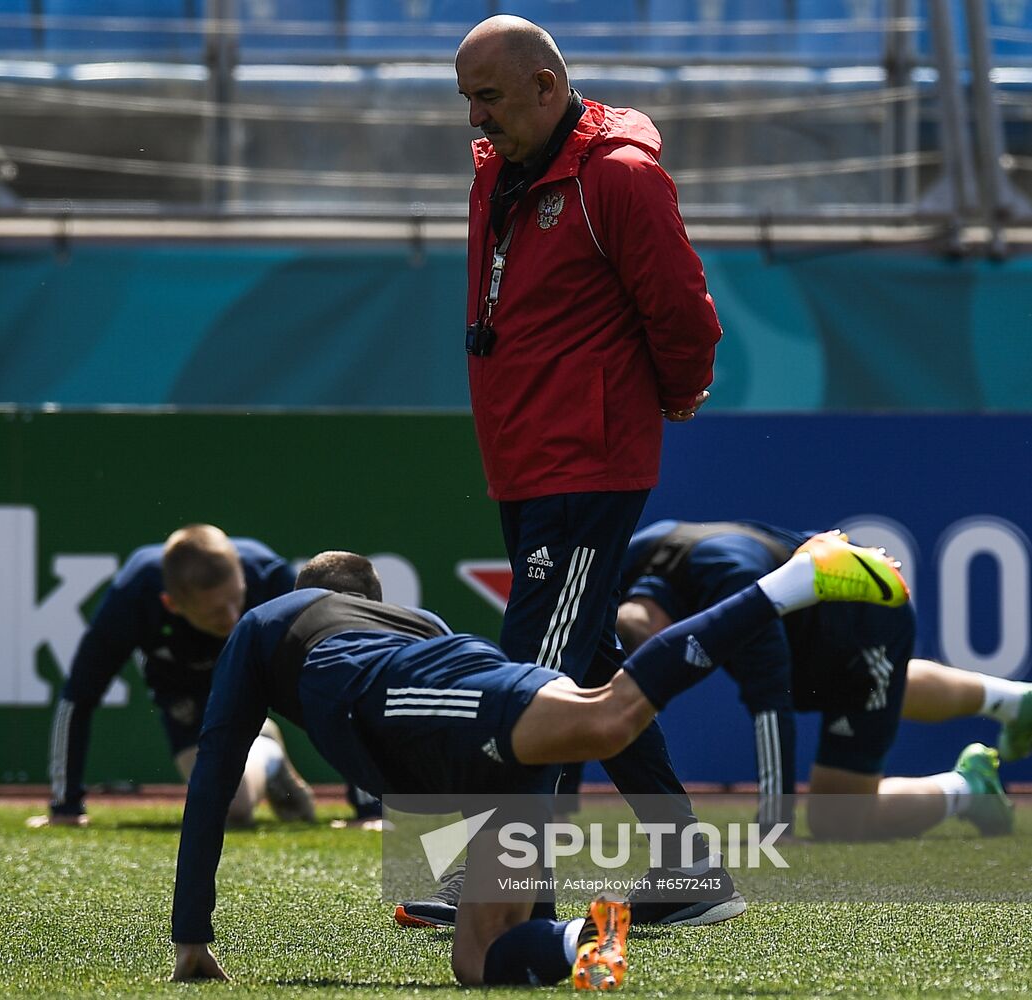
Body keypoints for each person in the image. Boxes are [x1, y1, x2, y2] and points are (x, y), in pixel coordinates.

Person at [170, 533, 909, 988]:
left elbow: (212, 779)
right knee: (477, 960)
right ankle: (587, 936)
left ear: (307, 596)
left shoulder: (266, 623)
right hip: (485, 736)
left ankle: (793, 580)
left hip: (458, 711)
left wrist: (191, 933)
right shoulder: (413, 618)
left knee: (611, 715)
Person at [395, 14, 725, 931]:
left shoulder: (615, 177)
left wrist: (679, 392)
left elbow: (682, 310)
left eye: (488, 98)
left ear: (546, 88)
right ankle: (687, 869)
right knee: (584, 666)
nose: (474, 120)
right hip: (528, 460)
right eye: (465, 101)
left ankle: (502, 888)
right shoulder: (502, 169)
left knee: (530, 679)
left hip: (584, 463)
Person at [616, 519, 1024, 840]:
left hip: (867, 621)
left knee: (839, 819)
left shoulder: (733, 589)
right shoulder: (630, 559)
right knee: (888, 684)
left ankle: (968, 787)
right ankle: (1013, 702)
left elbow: (771, 706)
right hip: (811, 625)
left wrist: (775, 825)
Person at [26, 524, 314, 829]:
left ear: (242, 576)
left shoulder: (270, 575)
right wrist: (66, 806)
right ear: (171, 604)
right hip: (184, 688)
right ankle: (267, 749)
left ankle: (259, 744)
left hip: (256, 669)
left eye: (238, 600)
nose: (233, 618)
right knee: (230, 808)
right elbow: (77, 697)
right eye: (216, 613)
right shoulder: (133, 596)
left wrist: (369, 807)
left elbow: (339, 680)